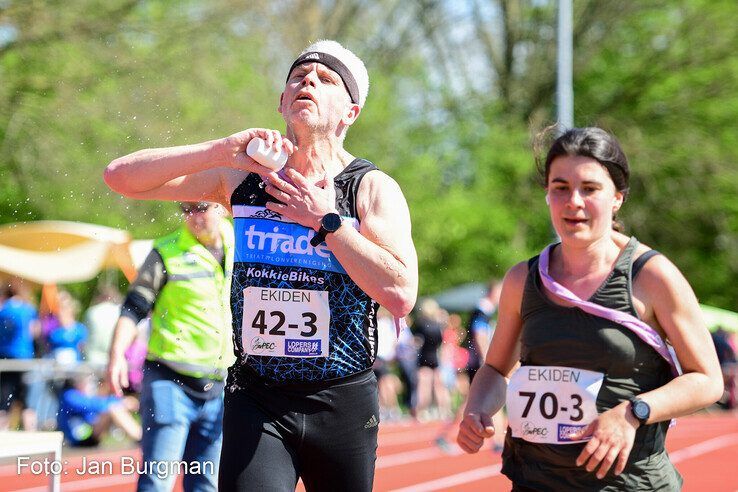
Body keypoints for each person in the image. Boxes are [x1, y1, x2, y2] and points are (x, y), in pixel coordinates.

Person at [103, 39, 418, 492]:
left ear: (350, 112)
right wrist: (217, 151)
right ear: (282, 101)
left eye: (326, 79)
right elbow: (120, 178)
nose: (308, 80)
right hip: (258, 394)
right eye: (298, 77)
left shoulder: (369, 189)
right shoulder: (245, 178)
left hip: (342, 399)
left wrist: (327, 223)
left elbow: (401, 293)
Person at [457, 127, 724, 490]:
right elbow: (496, 369)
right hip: (537, 481)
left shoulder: (652, 276)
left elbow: (708, 380)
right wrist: (477, 409)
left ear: (617, 197)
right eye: (560, 188)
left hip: (628, 483)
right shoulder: (523, 279)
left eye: (590, 188)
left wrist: (634, 412)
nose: (574, 202)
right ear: (547, 194)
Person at [107, 201, 235, 492]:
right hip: (170, 381)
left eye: (200, 207)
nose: (193, 216)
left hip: (218, 386)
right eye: (186, 208)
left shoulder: (240, 241)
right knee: (158, 481)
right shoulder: (166, 251)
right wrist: (116, 356)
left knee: (207, 484)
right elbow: (133, 308)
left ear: (222, 206)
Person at [57, 373, 141, 447]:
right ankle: (140, 437)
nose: (91, 387)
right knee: (114, 409)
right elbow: (94, 405)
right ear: (79, 383)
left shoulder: (78, 395)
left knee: (115, 408)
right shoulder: (69, 396)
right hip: (79, 439)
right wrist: (123, 402)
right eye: (90, 384)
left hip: (89, 434)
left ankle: (140, 436)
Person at [0, 281, 40, 430]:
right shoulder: (28, 309)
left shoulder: (3, 310)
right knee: (26, 401)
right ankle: (33, 435)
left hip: (6, 360)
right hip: (24, 359)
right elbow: (35, 331)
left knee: (4, 402)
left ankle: (1, 436)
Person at [83, 285, 123, 368]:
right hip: (113, 356)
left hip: (92, 357)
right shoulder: (119, 312)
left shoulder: (91, 312)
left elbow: (85, 335)